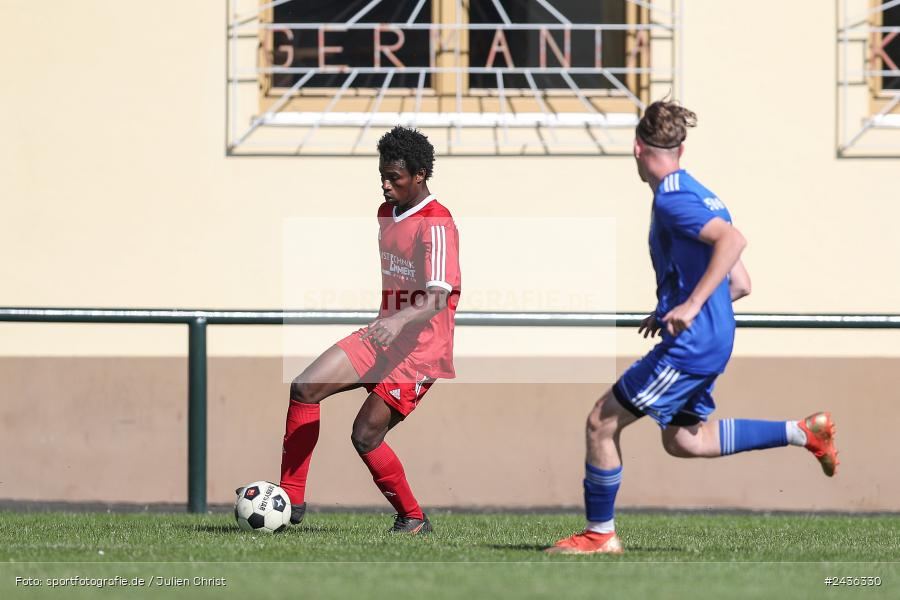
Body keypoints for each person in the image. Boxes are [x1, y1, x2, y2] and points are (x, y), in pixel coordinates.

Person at [546, 100, 839, 555]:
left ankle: (599, 535)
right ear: (679, 149)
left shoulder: (671, 199)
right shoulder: (698, 190)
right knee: (685, 440)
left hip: (693, 344)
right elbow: (740, 282)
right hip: (709, 338)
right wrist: (673, 305)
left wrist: (693, 305)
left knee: (600, 422)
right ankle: (804, 431)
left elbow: (733, 242)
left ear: (638, 148)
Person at [279, 126, 460, 534]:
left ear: (420, 175)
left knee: (364, 435)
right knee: (304, 387)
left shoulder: (437, 222)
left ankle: (413, 517)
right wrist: (389, 322)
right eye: (381, 175)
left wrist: (398, 321)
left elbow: (437, 295)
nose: (385, 184)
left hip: (420, 352)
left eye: (394, 177)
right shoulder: (385, 212)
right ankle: (289, 499)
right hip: (383, 336)